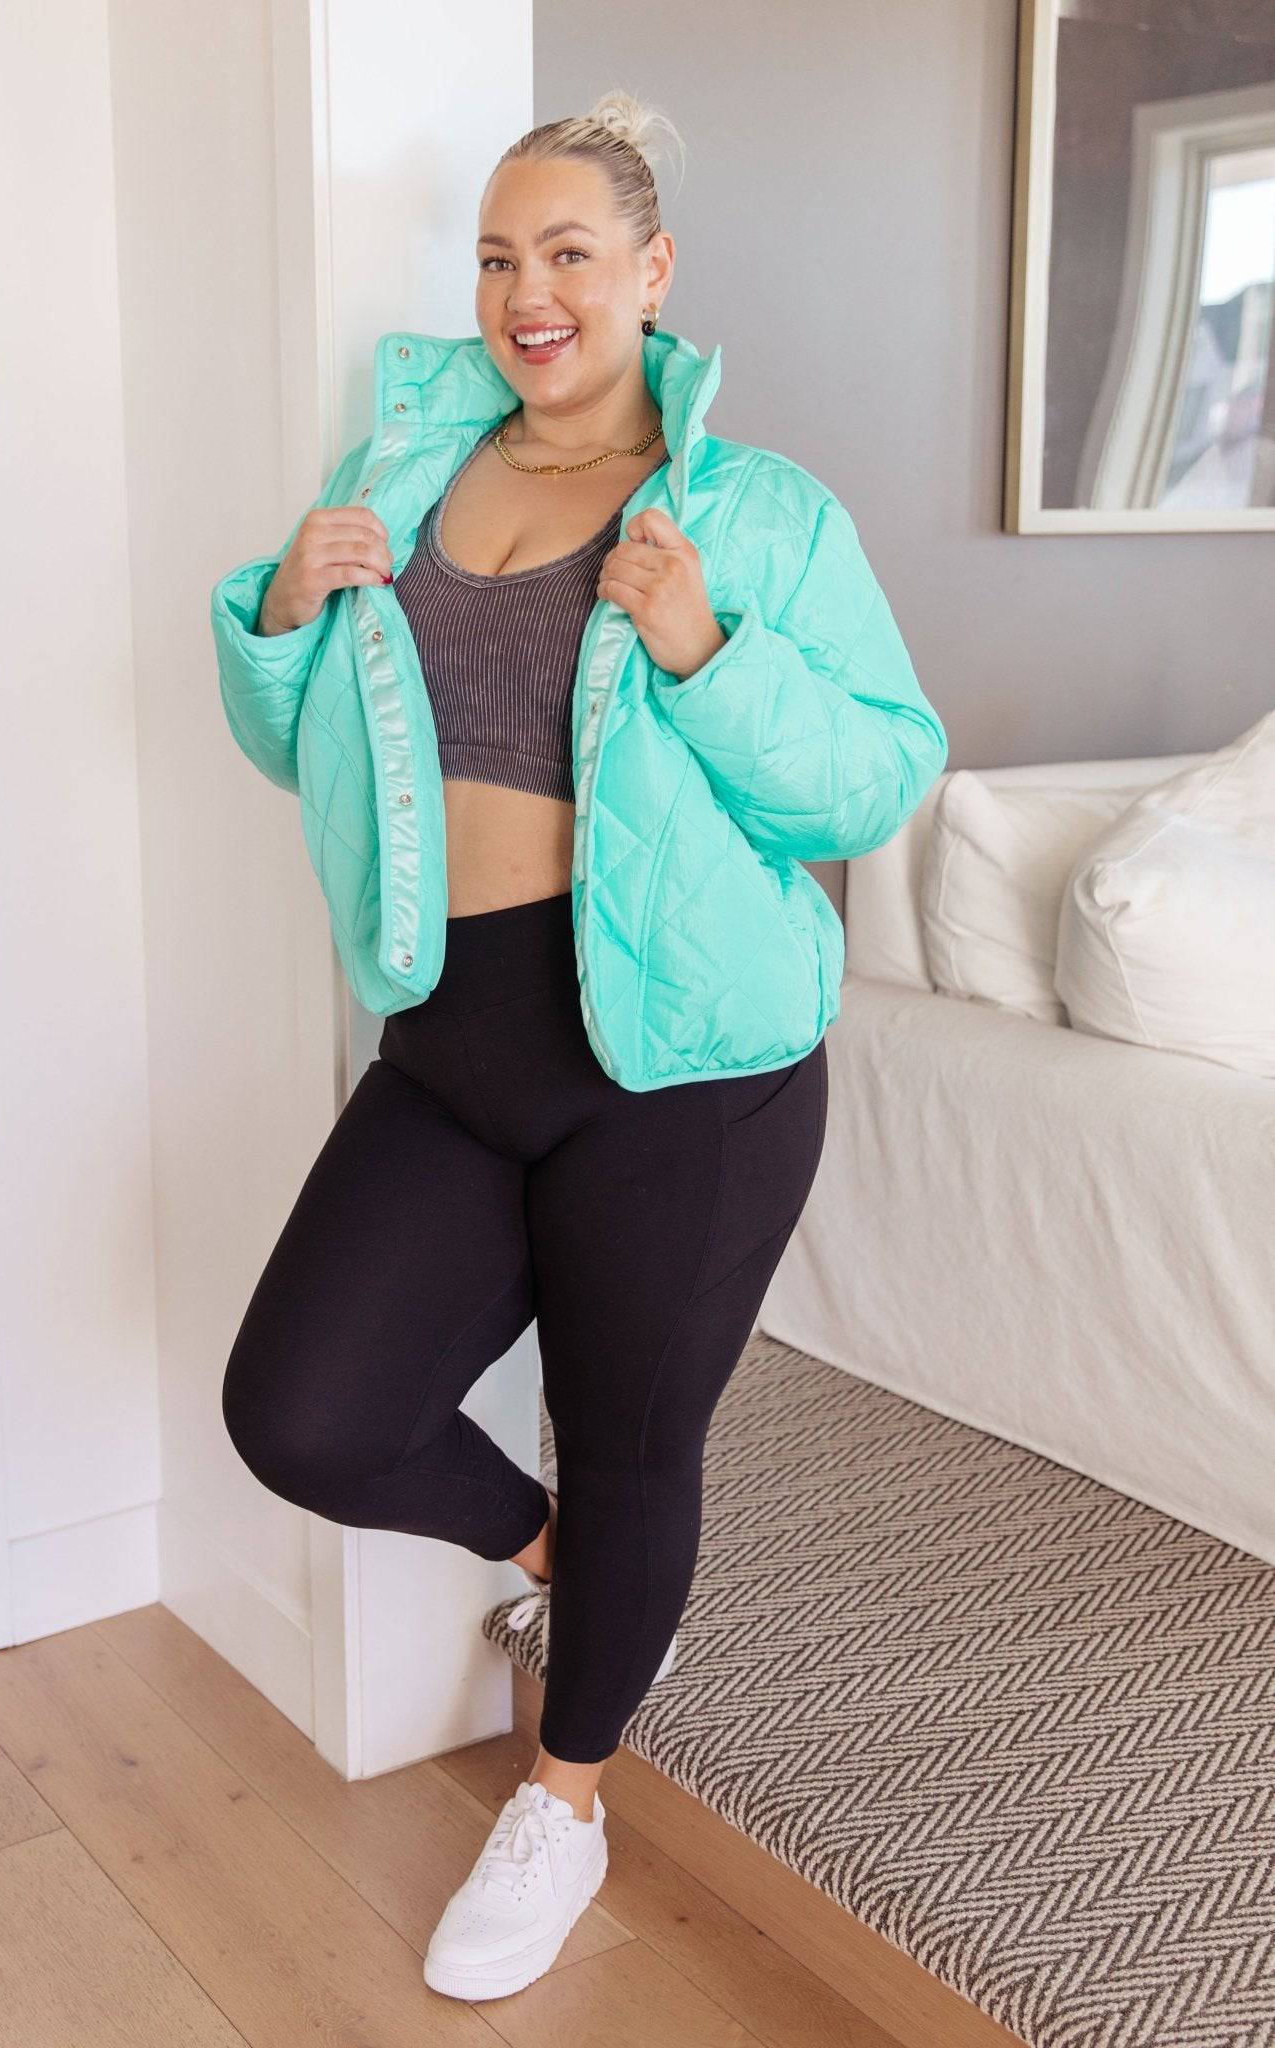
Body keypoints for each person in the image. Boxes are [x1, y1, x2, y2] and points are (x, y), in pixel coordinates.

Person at [211, 87, 947, 2004]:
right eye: (494, 257)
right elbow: (303, 749)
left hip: (688, 1068)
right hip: (454, 1043)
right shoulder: (402, 478)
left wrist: (707, 650)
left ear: (650, 272)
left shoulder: (755, 514)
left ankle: (564, 1797)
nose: (525, 293)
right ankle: (580, 1562)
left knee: (633, 1436)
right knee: (306, 1409)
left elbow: (877, 779)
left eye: (565, 253)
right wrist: (280, 615)